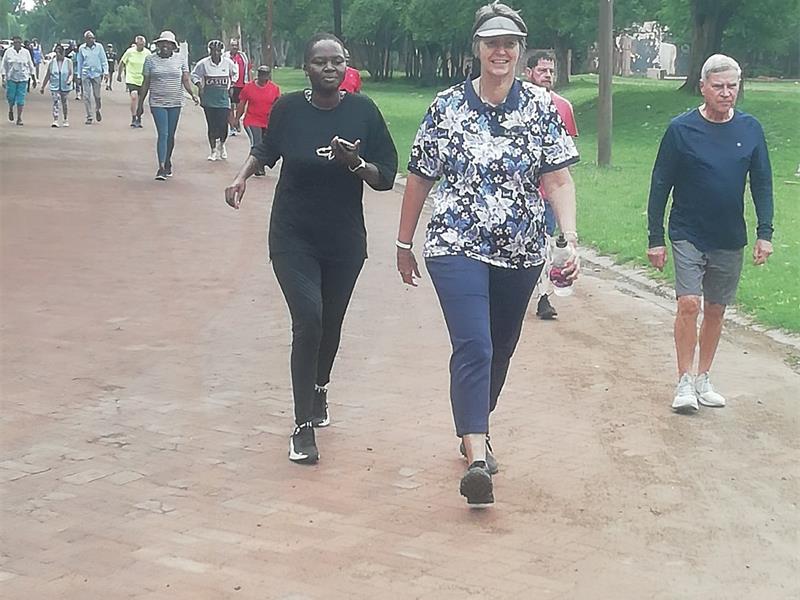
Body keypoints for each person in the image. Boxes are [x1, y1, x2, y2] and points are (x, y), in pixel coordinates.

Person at [396, 2, 580, 508]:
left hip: (521, 250)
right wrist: (403, 241)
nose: (501, 51)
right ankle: (477, 456)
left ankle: (475, 424)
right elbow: (419, 174)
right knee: (474, 344)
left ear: (520, 51)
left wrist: (568, 237)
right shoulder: (446, 106)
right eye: (492, 43)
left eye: (511, 44)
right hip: (456, 244)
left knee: (500, 346)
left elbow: (559, 178)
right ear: (476, 48)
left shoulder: (541, 107)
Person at [224, 33, 398, 465]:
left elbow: (386, 176)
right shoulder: (288, 110)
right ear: (307, 68)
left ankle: (320, 388)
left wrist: (356, 163)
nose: (329, 68)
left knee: (331, 322)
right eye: (320, 62)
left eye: (336, 61)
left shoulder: (364, 112)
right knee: (309, 320)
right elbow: (267, 148)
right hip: (292, 236)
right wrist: (242, 175)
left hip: (343, 240)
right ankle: (302, 427)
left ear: (346, 67)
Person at [647, 54, 774, 414]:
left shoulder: (750, 129)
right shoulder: (681, 129)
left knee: (717, 309)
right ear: (702, 87)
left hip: (729, 233)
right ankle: (683, 380)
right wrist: (655, 237)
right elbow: (660, 184)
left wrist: (765, 232)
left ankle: (704, 377)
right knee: (690, 303)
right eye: (718, 86)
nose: (726, 93)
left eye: (732, 86)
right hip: (687, 230)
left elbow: (762, 184)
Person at [525, 50, 579, 320]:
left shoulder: (563, 107)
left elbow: (564, 156)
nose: (547, 75)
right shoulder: (517, 104)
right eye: (541, 70)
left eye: (550, 71)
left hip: (548, 194)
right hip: (524, 194)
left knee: (546, 245)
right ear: (529, 72)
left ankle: (543, 297)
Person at [135, 30, 199, 180]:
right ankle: (161, 166)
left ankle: (168, 160)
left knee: (170, 135)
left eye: (168, 44)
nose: (165, 46)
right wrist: (140, 104)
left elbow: (185, 79)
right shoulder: (150, 60)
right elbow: (146, 83)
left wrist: (193, 94)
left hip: (175, 102)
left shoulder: (181, 59)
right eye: (162, 43)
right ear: (158, 45)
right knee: (162, 134)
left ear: (173, 46)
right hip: (157, 102)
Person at [192, 40, 238, 161]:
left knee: (223, 125)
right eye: (213, 51)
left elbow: (235, 73)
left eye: (218, 51)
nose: (216, 53)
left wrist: (232, 85)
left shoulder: (228, 63)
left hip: (223, 99)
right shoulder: (203, 64)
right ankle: (213, 150)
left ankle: (222, 145)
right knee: (212, 125)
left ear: (221, 52)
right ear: (210, 51)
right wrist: (199, 85)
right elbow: (194, 75)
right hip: (209, 99)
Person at [233, 64, 281, 176]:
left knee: (266, 145)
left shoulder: (274, 89)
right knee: (257, 143)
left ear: (268, 76)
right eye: (260, 74)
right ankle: (253, 168)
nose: (262, 77)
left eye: (265, 74)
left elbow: (277, 105)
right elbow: (242, 104)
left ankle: (260, 165)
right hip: (252, 120)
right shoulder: (249, 87)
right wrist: (236, 119)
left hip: (267, 122)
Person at [1, 36, 35, 126]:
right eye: (15, 42)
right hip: (11, 78)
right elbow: (3, 65)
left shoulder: (26, 52)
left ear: (21, 43)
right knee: (11, 97)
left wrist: (34, 78)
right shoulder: (8, 52)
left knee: (21, 100)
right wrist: (3, 77)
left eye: (19, 42)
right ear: (13, 43)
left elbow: (30, 65)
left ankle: (19, 118)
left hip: (23, 78)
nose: (17, 44)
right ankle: (11, 109)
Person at [76, 30, 108, 124]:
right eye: (89, 38)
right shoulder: (82, 48)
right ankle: (89, 116)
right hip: (86, 73)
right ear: (85, 39)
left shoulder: (99, 47)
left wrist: (106, 72)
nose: (92, 40)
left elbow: (103, 60)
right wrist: (78, 75)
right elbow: (79, 63)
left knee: (97, 95)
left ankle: (97, 109)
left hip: (97, 73)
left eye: (93, 38)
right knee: (86, 95)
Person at [118, 36, 151, 128]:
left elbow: (152, 66)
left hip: (143, 79)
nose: (141, 46)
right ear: (136, 44)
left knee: (140, 101)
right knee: (134, 97)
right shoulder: (130, 52)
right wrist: (119, 75)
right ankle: (133, 117)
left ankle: (139, 118)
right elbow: (122, 62)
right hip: (132, 78)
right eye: (139, 44)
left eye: (143, 44)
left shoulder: (148, 53)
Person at [39, 43, 73, 127]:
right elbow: (48, 75)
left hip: (65, 86)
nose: (58, 55)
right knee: (56, 102)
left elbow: (71, 73)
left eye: (60, 53)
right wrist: (43, 86)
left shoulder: (68, 62)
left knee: (64, 102)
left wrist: (69, 80)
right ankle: (56, 119)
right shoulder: (52, 63)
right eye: (57, 53)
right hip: (55, 86)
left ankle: (65, 119)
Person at [224, 38, 249, 135]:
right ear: (229, 46)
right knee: (230, 105)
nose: (234, 47)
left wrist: (249, 82)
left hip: (241, 84)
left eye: (236, 45)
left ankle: (237, 120)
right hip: (230, 85)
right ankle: (232, 126)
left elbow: (248, 69)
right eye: (233, 45)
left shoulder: (243, 56)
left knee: (240, 106)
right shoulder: (225, 56)